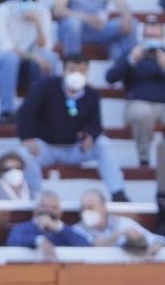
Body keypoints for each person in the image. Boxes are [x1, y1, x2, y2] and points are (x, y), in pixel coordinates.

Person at [16, 54, 129, 203]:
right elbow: (26, 111)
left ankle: (118, 192)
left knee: (103, 143)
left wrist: (90, 136)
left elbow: (96, 125)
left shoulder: (91, 94)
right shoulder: (47, 86)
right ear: (63, 71)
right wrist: (27, 138)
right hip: (46, 148)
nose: (77, 74)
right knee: (23, 154)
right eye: (72, 70)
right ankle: (37, 197)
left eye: (82, 71)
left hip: (74, 149)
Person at [104, 18, 165, 168]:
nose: (153, 30)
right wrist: (130, 60)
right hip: (139, 102)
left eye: (156, 27)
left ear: (163, 34)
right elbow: (110, 77)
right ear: (143, 33)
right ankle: (144, 158)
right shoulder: (131, 53)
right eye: (150, 27)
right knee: (141, 113)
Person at [0, 0, 60, 126]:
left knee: (50, 58)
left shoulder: (42, 11)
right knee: (11, 58)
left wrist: (37, 23)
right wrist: (35, 58)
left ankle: (46, 109)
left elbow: (45, 46)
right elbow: (5, 46)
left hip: (25, 67)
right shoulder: (3, 9)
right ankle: (6, 112)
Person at [73, 188, 165, 252]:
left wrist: (155, 246)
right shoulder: (77, 230)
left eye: (90, 207)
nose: (86, 211)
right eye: (83, 208)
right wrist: (118, 234)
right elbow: (94, 246)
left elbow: (157, 239)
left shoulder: (123, 223)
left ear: (103, 207)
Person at [7, 190, 91, 256]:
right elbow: (12, 241)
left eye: (54, 207)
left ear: (60, 212)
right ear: (36, 210)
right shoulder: (23, 228)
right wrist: (39, 241)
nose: (49, 210)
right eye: (44, 206)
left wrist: (59, 228)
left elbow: (86, 244)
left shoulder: (66, 230)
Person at [53, 0, 135, 62]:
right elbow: (58, 10)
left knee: (133, 23)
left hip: (96, 30)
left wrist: (126, 17)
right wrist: (88, 18)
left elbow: (122, 4)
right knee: (74, 23)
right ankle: (73, 66)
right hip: (72, 31)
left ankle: (130, 66)